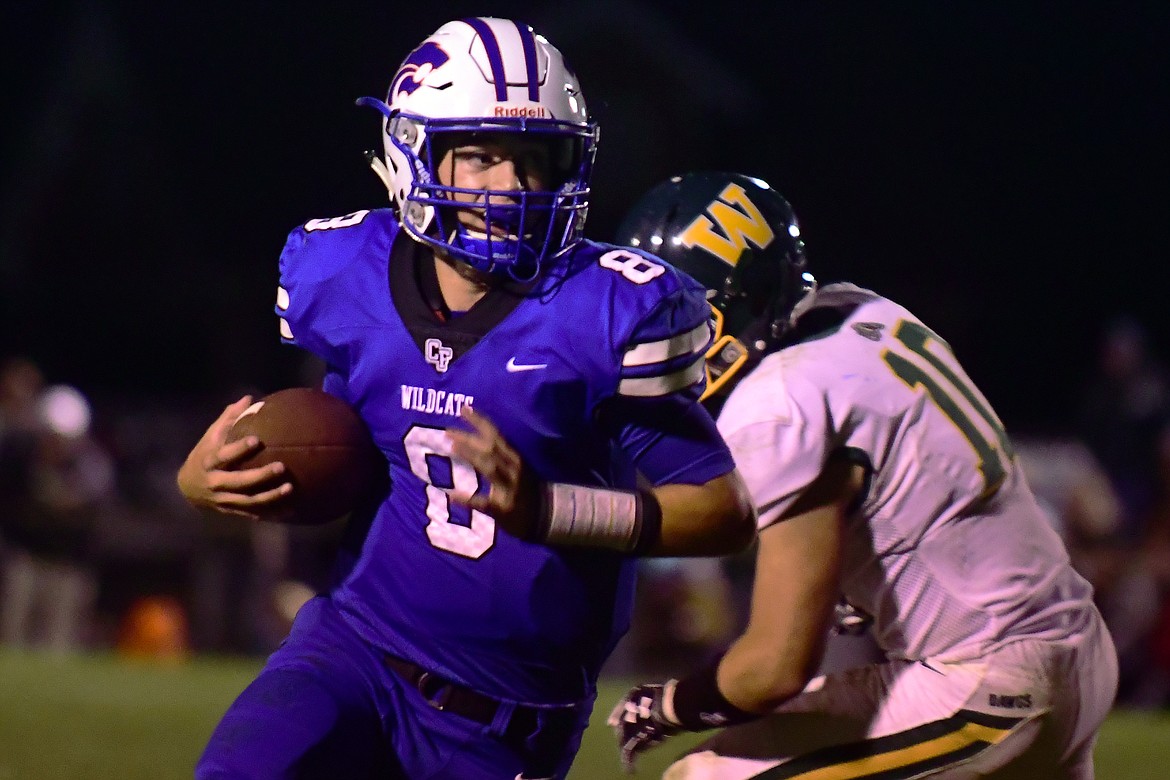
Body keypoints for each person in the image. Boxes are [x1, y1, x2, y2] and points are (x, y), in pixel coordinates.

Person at [176, 20, 754, 780]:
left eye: (535, 161)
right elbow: (330, 438)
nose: (511, 187)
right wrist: (200, 479)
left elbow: (722, 510)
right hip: (351, 652)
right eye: (481, 155)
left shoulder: (602, 312)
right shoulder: (346, 273)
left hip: (507, 721)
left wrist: (550, 509)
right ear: (415, 153)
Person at [608, 172, 1118, 779]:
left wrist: (672, 704)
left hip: (988, 678)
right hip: (1065, 643)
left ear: (737, 302)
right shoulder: (863, 312)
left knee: (704, 776)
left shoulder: (780, 399)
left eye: (681, 316)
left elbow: (772, 666)